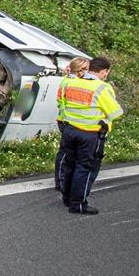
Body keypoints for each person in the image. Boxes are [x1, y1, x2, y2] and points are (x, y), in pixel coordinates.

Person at [56, 56, 123, 214]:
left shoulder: (72, 82)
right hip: (90, 134)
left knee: (69, 165)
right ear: (104, 72)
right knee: (85, 168)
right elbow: (115, 112)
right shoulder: (102, 87)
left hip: (70, 130)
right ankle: (78, 204)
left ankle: (66, 198)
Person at [54, 57, 90, 192]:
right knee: (65, 152)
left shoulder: (68, 80)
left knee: (66, 152)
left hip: (67, 120)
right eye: (86, 69)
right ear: (81, 70)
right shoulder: (74, 83)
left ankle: (63, 179)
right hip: (67, 120)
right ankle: (60, 180)